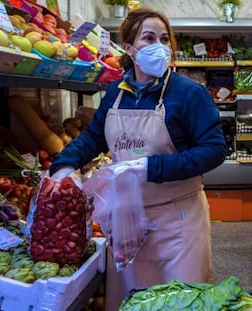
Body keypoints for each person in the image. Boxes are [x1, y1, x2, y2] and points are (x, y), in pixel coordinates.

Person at [49, 7, 227, 308]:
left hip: (177, 221)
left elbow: (214, 149)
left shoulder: (188, 94)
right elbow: (95, 137)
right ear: (129, 48)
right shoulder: (115, 93)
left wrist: (151, 166)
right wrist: (64, 165)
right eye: (148, 38)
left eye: (164, 39)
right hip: (128, 220)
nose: (159, 46)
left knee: (179, 301)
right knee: (133, 300)